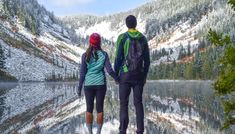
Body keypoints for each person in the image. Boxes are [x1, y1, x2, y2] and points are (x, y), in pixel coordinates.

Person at [114, 15, 150, 134]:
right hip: (139, 75)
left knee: (123, 103)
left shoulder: (122, 37)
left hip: (125, 75)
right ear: (136, 24)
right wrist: (144, 76)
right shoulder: (143, 38)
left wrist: (116, 74)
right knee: (138, 103)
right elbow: (147, 61)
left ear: (126, 24)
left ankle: (123, 130)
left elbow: (118, 58)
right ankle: (140, 130)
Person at [77, 33, 119, 134]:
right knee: (100, 109)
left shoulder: (85, 55)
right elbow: (109, 70)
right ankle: (99, 132)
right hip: (101, 84)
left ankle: (90, 132)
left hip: (88, 85)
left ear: (89, 43)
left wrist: (79, 88)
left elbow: (82, 74)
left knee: (89, 109)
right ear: (99, 42)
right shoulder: (104, 54)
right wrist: (117, 79)